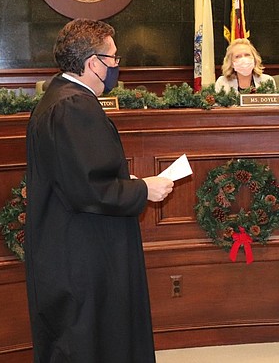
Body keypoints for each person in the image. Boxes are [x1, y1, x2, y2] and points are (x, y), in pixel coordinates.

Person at [25, 18, 175, 363]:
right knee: (91, 343)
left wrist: (128, 181)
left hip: (73, 245)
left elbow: (80, 172)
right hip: (83, 254)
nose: (117, 66)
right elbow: (89, 190)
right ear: (94, 63)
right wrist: (142, 190)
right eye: (114, 58)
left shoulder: (59, 99)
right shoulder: (73, 106)